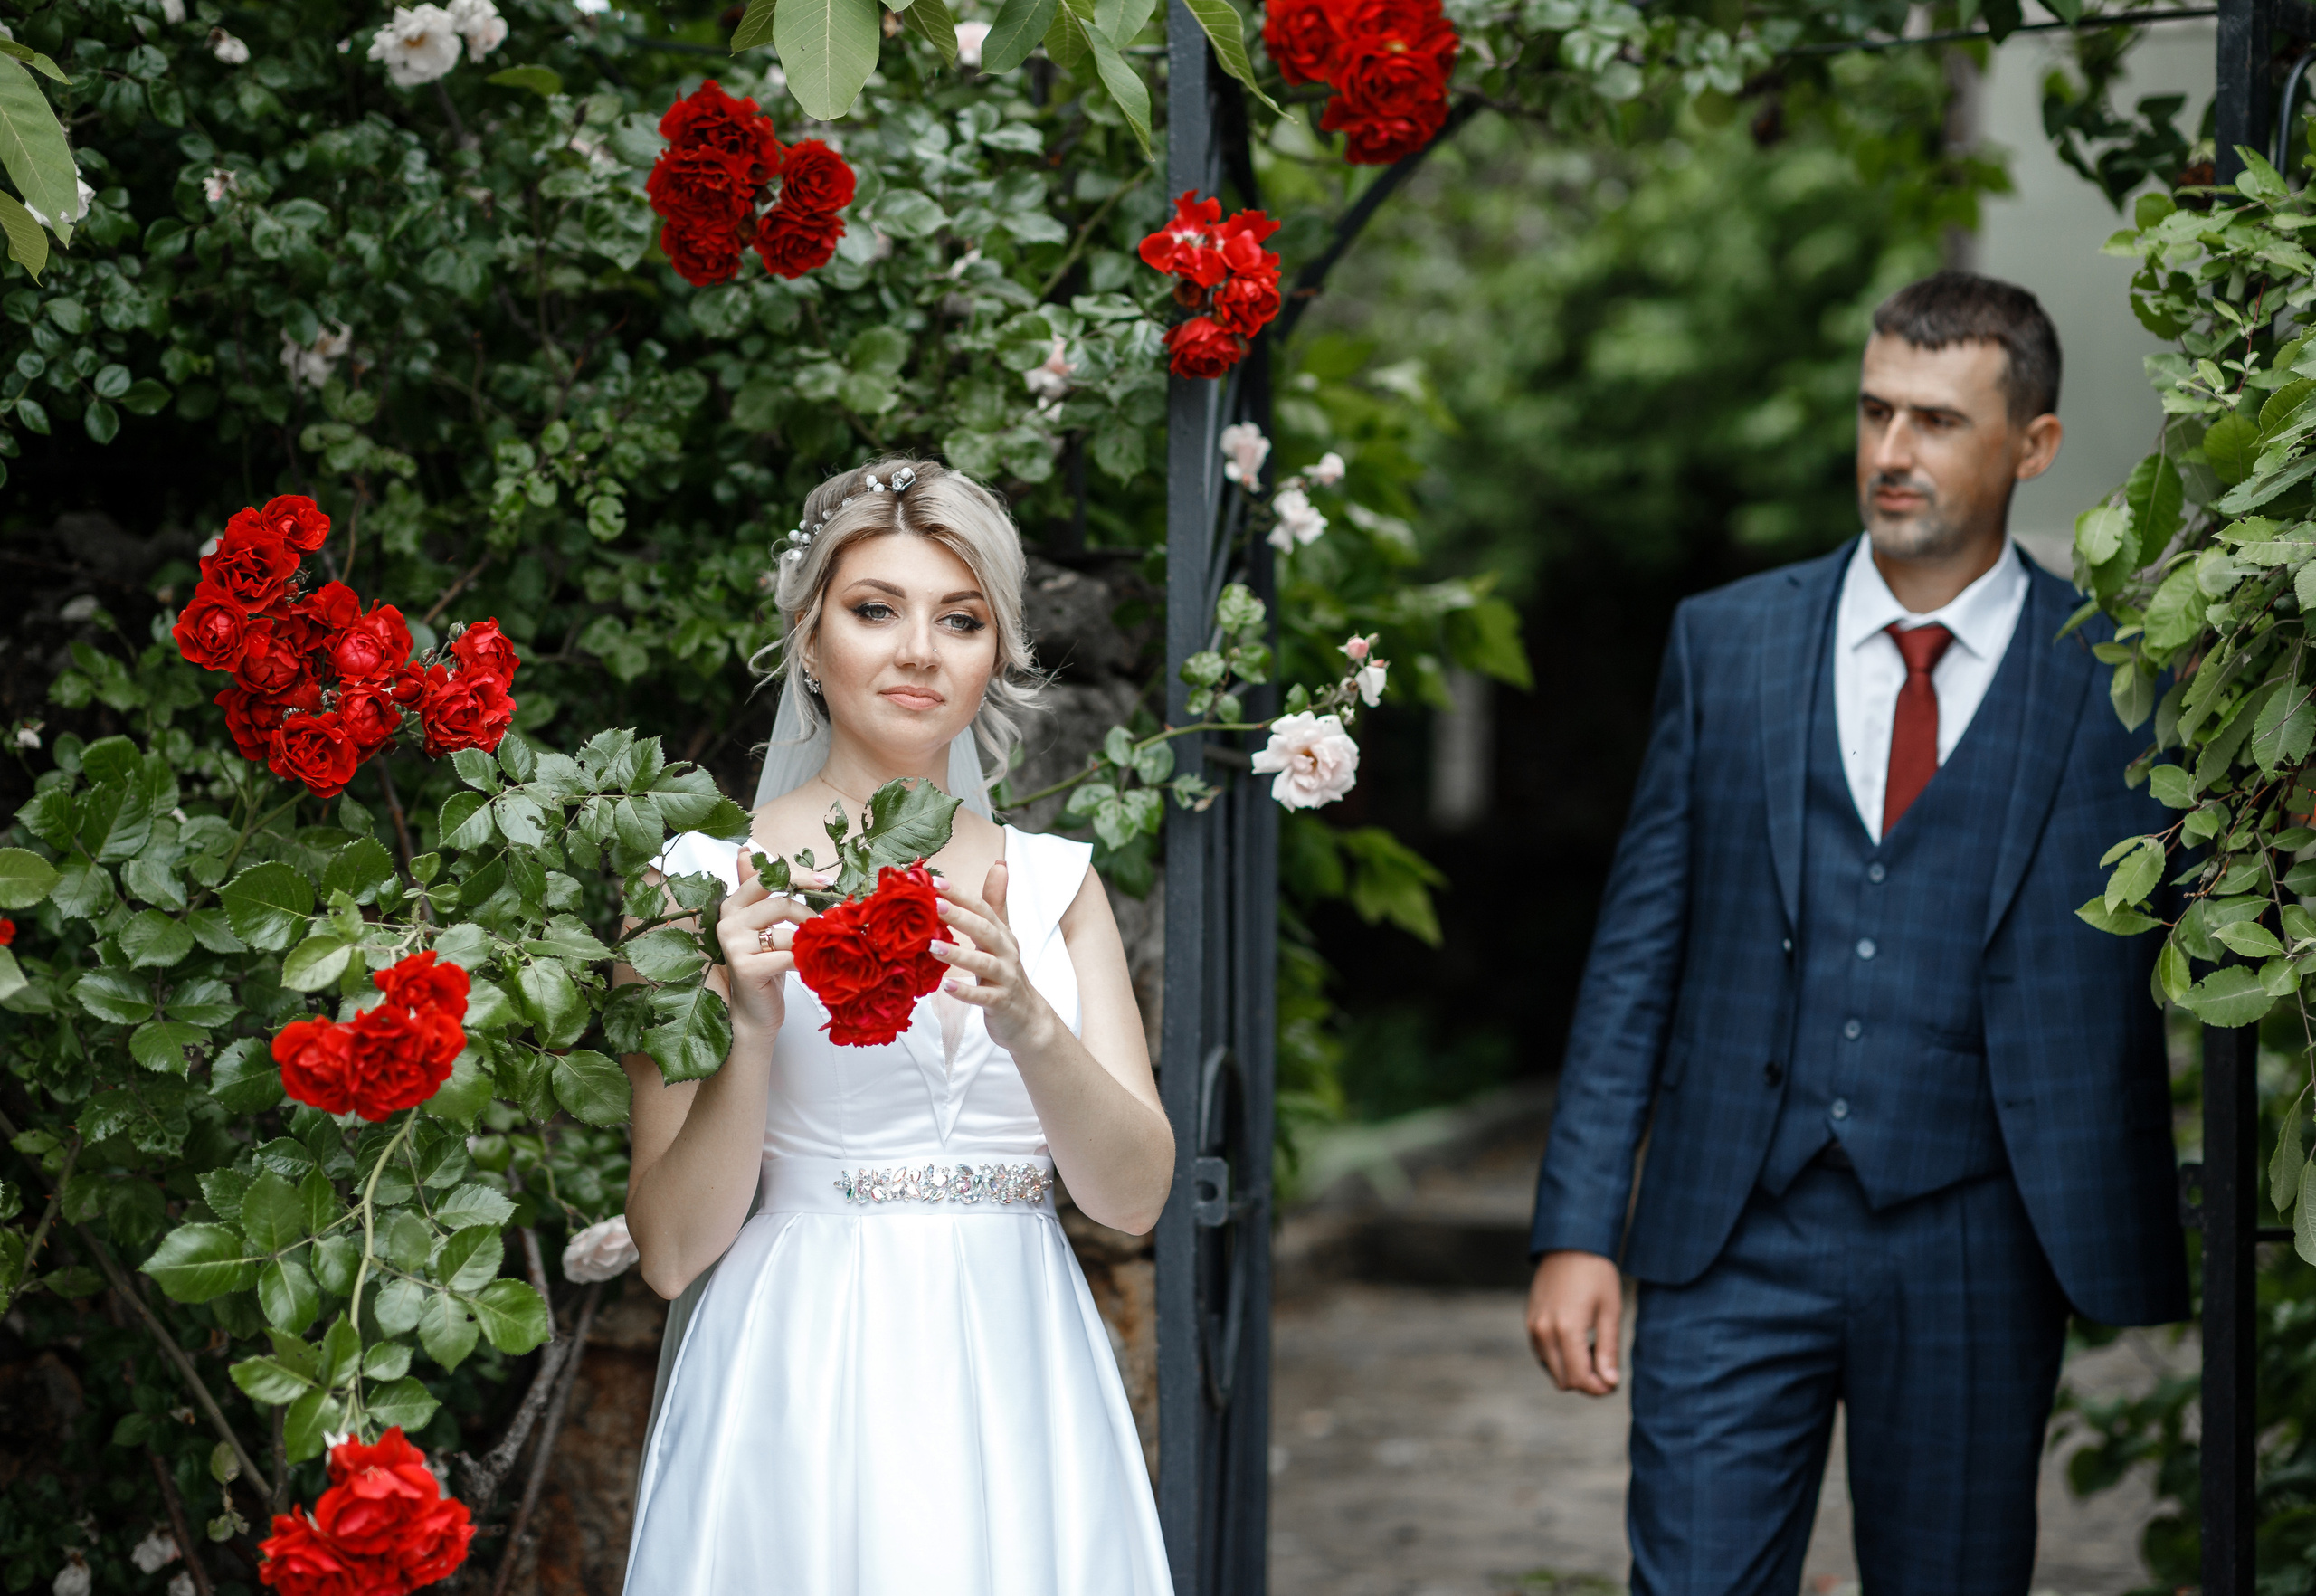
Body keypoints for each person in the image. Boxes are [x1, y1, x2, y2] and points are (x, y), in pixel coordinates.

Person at [1523, 271, 2188, 1592]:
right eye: (1877, 411)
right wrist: (1578, 1227)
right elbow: (1637, 955)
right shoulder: (1726, 644)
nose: (1892, 450)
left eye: (1936, 420)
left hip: (1978, 1241)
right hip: (1731, 1228)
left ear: (2033, 445)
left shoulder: (2119, 677)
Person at [617, 458, 1175, 1594]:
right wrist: (752, 1031)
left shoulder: (1056, 886)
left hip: (1023, 1372)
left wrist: (1030, 1022)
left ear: (995, 654)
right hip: (801, 1371)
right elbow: (670, 1254)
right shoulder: (696, 886)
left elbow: (1132, 1198)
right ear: (808, 635)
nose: (920, 650)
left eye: (960, 620)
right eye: (876, 610)